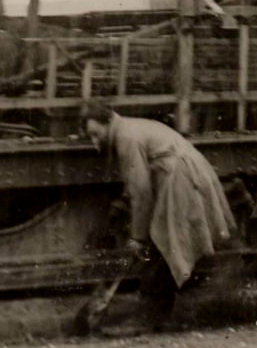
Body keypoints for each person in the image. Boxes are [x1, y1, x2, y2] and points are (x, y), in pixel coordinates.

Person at [81, 101, 236, 331]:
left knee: (161, 243)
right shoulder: (129, 128)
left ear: (108, 122)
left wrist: (137, 238)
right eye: (90, 137)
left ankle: (149, 319)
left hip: (179, 177)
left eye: (96, 134)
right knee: (162, 246)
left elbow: (141, 193)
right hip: (182, 172)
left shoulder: (125, 138)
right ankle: (155, 315)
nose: (95, 143)